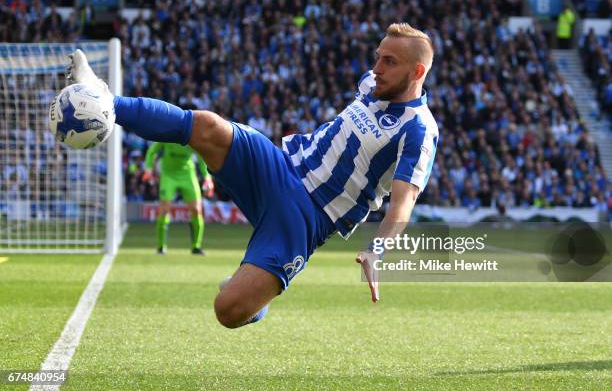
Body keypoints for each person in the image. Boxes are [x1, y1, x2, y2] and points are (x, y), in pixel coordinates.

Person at [67, 22, 438, 329]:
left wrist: (378, 251)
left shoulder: (419, 130)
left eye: (389, 61)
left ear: (417, 71)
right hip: (278, 166)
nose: (377, 67)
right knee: (206, 125)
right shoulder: (371, 84)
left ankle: (258, 302)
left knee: (227, 311)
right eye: (377, 57)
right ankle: (103, 98)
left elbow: (402, 205)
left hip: (306, 218)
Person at [144, 142, 214, 255]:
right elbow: (152, 151)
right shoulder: (167, 135)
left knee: (196, 210)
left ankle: (196, 247)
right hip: (168, 174)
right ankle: (161, 247)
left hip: (187, 175)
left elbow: (202, 158)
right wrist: (148, 168)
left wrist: (207, 177)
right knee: (164, 209)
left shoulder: (191, 136)